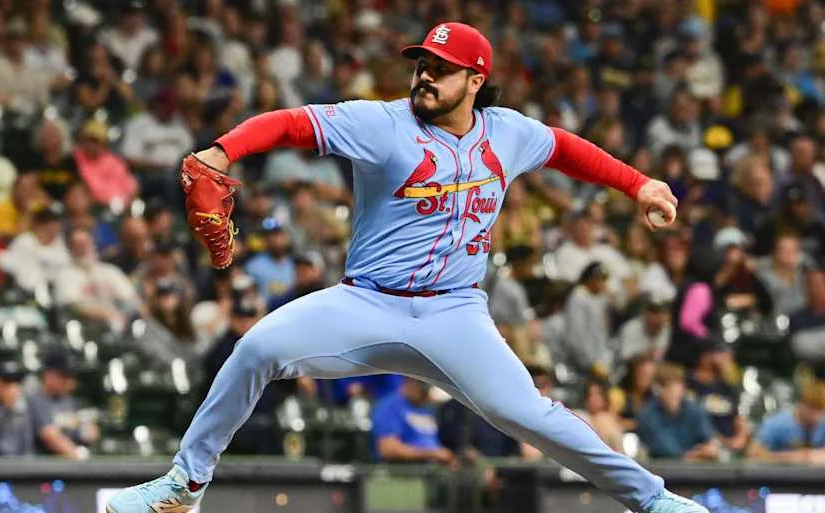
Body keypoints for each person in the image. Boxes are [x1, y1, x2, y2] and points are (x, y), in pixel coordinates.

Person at [108, 22, 703, 513]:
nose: (424, 74)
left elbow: (567, 148)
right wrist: (220, 152)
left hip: (455, 311)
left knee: (530, 415)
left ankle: (654, 500)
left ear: (476, 79)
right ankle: (184, 486)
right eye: (421, 63)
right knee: (256, 350)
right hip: (366, 302)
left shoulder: (508, 133)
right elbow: (292, 122)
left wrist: (639, 184)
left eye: (440, 68)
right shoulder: (381, 124)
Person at [746, 380, 825, 466]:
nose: (817, 416)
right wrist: (800, 457)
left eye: (821, 411)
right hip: (779, 480)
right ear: (801, 404)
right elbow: (753, 454)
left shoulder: (824, 427)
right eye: (813, 409)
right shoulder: (777, 424)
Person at [371, 378, 456, 465]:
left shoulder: (427, 408)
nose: (427, 397)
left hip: (431, 468)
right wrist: (431, 454)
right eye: (424, 392)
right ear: (410, 382)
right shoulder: (389, 406)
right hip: (403, 471)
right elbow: (388, 449)